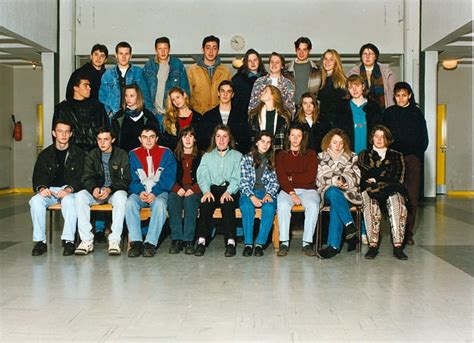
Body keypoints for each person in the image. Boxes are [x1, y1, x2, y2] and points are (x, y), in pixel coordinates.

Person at [30, 120, 85, 256]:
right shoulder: (45, 154)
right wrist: (42, 188)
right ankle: (40, 242)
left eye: (67, 131)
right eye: (60, 131)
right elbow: (38, 175)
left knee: (69, 201)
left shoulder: (79, 154)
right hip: (51, 190)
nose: (64, 135)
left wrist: (68, 189)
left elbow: (83, 177)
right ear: (54, 133)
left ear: (71, 134)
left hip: (70, 190)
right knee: (35, 201)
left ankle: (69, 241)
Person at [383, 82, 428, 245]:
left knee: (411, 196)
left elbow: (424, 139)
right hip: (393, 159)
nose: (401, 98)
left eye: (404, 95)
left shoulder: (416, 113)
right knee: (393, 195)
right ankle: (396, 230)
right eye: (397, 95)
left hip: (412, 159)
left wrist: (416, 155)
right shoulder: (389, 113)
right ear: (394, 96)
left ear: (409, 95)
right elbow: (383, 136)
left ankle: (407, 234)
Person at [74, 127, 130, 256]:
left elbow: (126, 179)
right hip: (96, 191)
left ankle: (115, 241)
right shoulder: (92, 155)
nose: (102, 143)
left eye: (106, 139)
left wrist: (110, 189)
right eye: (99, 139)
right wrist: (93, 188)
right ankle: (86, 241)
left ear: (113, 140)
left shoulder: (122, 155)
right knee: (80, 196)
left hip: (113, 192)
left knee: (121, 197)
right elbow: (87, 177)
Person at [125, 125, 177, 258]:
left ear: (157, 138)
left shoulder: (166, 153)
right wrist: (139, 191)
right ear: (139, 139)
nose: (148, 140)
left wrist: (154, 192)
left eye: (152, 137)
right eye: (145, 137)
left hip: (159, 192)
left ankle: (150, 243)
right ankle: (136, 242)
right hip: (140, 193)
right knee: (130, 202)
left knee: (160, 204)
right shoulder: (133, 154)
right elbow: (131, 177)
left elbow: (169, 178)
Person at [358, 125, 409, 260]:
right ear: (372, 138)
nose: (379, 139)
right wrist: (384, 175)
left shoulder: (397, 155)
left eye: (383, 137)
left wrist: (376, 178)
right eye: (376, 136)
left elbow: (398, 177)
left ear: (388, 139)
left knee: (397, 201)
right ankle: (372, 246)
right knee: (369, 202)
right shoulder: (364, 155)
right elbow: (364, 176)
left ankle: (398, 247)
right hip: (370, 190)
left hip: (392, 189)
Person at [195, 125, 242, 257]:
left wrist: (229, 191)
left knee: (227, 204)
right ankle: (201, 240)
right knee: (205, 203)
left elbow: (237, 177)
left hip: (229, 188)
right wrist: (206, 191)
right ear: (214, 139)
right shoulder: (207, 156)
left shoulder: (237, 156)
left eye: (224, 136)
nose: (221, 140)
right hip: (212, 188)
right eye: (218, 136)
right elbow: (202, 176)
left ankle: (231, 242)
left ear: (229, 139)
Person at [316, 129, 362, 259]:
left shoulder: (352, 156)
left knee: (337, 205)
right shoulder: (320, 157)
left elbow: (356, 175)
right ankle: (350, 226)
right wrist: (336, 181)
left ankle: (333, 247)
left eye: (341, 143)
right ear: (328, 142)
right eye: (335, 142)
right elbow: (320, 176)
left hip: (347, 192)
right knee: (334, 191)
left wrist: (345, 181)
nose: (338, 146)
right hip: (327, 192)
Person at [275, 124, 320, 257]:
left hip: (308, 190)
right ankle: (284, 242)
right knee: (282, 205)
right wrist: (292, 192)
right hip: (287, 190)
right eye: (293, 135)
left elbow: (310, 177)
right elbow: (281, 178)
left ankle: (307, 243)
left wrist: (292, 177)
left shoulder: (311, 154)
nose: (295, 139)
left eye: (298, 136)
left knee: (312, 205)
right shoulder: (281, 155)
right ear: (288, 137)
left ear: (302, 138)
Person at [239, 131, 279, 257]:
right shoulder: (247, 158)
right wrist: (252, 197)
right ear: (257, 142)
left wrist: (269, 194)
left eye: (268, 142)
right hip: (249, 191)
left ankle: (260, 244)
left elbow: (275, 181)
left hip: (266, 191)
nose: (265, 145)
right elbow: (243, 181)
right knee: (247, 207)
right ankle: (248, 244)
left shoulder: (273, 160)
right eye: (262, 141)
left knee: (269, 207)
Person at [167, 127, 202, 255]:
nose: (187, 139)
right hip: (179, 187)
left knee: (190, 200)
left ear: (195, 139)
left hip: (195, 189)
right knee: (172, 198)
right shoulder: (173, 156)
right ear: (180, 139)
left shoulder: (202, 156)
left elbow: (205, 177)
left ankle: (188, 240)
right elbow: (169, 176)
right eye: (184, 136)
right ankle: (176, 239)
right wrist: (177, 189)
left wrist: (193, 189)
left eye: (190, 136)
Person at [53, 73, 108, 152]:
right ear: (76, 88)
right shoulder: (62, 108)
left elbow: (106, 131)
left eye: (89, 85)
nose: (89, 88)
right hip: (71, 155)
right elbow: (56, 135)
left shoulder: (98, 107)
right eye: (85, 85)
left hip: (94, 155)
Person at [143, 37, 190, 126]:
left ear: (169, 49)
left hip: (173, 114)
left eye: (165, 48)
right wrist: (150, 111)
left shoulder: (177, 64)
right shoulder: (149, 66)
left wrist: (181, 111)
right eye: (160, 49)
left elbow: (185, 89)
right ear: (155, 50)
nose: (163, 52)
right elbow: (144, 91)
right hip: (155, 114)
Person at [99, 41, 152, 118]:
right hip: (113, 116)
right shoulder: (108, 74)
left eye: (126, 54)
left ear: (130, 56)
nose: (123, 57)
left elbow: (145, 95)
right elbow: (102, 97)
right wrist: (108, 113)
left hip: (135, 116)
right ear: (116, 55)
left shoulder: (138, 72)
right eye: (121, 54)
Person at [336, 74, 382, 154]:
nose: (354, 90)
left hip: (369, 154)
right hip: (348, 154)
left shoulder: (374, 107)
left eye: (357, 86)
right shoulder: (342, 108)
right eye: (350, 87)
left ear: (363, 86)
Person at [202, 80, 251, 153]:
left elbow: (245, 140)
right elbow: (204, 141)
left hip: (235, 155)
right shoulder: (208, 116)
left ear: (232, 95)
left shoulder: (241, 116)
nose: (225, 94)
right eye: (222, 91)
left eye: (228, 91)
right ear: (218, 93)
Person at [187, 35, 232, 114]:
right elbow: (187, 95)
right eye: (208, 48)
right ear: (202, 49)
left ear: (218, 50)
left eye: (214, 48)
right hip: (199, 115)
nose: (211, 51)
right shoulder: (192, 70)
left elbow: (229, 95)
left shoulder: (226, 71)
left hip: (219, 115)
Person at [347, 43, 396, 110]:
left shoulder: (387, 73)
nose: (367, 56)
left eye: (371, 54)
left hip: (383, 111)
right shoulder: (352, 73)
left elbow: (392, 95)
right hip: (360, 111)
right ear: (361, 56)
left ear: (376, 56)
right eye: (365, 54)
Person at [111, 84, 159, 152]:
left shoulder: (148, 116)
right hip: (124, 157)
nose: (128, 99)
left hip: (143, 156)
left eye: (132, 96)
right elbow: (115, 142)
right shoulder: (118, 117)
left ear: (138, 97)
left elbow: (156, 141)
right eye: (126, 95)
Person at [249, 85, 290, 152]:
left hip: (278, 153)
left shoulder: (284, 116)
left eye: (265, 91)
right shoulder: (254, 114)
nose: (261, 93)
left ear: (273, 95)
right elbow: (252, 137)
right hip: (258, 155)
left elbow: (286, 139)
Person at [160, 87, 203, 151]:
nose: (176, 101)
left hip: (194, 154)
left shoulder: (197, 117)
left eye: (178, 97)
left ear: (184, 95)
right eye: (173, 100)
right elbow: (166, 142)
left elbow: (201, 140)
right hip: (176, 154)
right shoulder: (169, 119)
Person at [284, 37, 322, 105]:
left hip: (310, 109)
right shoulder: (286, 69)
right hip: (290, 109)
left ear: (309, 51)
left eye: (304, 49)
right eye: (299, 49)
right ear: (295, 50)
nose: (301, 52)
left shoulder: (317, 69)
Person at [231, 49, 267, 116]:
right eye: (249, 61)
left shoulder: (267, 78)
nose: (252, 63)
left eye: (255, 60)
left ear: (259, 61)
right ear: (245, 63)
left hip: (262, 115)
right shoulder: (237, 79)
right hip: (242, 117)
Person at [318, 49, 348, 129]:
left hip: (337, 124)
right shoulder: (319, 79)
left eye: (331, 60)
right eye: (325, 59)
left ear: (336, 62)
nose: (327, 62)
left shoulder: (341, 81)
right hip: (323, 124)